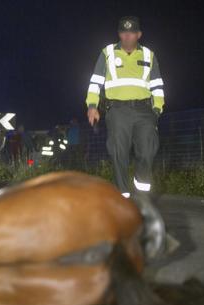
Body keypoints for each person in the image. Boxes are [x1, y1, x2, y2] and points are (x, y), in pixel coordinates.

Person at [85, 16, 165, 198]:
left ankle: (141, 191)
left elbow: (157, 85)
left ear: (139, 34)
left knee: (148, 150)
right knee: (118, 152)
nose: (127, 37)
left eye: (131, 33)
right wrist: (92, 105)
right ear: (119, 34)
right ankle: (124, 197)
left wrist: (157, 110)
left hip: (145, 111)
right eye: (123, 33)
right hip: (118, 111)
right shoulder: (107, 53)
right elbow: (95, 82)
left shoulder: (149, 55)